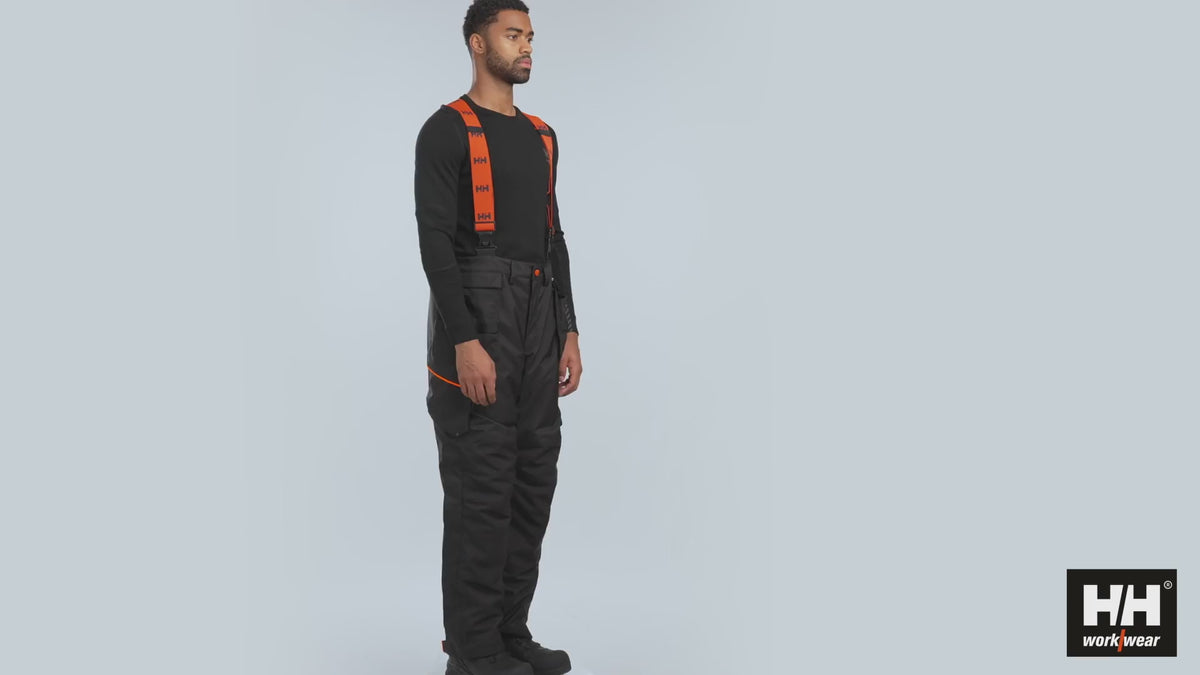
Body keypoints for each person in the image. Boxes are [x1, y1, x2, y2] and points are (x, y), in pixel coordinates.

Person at [414, 2, 581, 674]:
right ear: (478, 44)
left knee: (532, 477)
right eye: (514, 35)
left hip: (539, 316)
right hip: (479, 317)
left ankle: (509, 634)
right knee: (481, 487)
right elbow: (434, 243)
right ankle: (473, 651)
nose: (527, 46)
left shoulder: (543, 136)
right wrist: (464, 340)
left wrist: (569, 327)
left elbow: (553, 236)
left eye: (530, 36)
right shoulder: (445, 130)